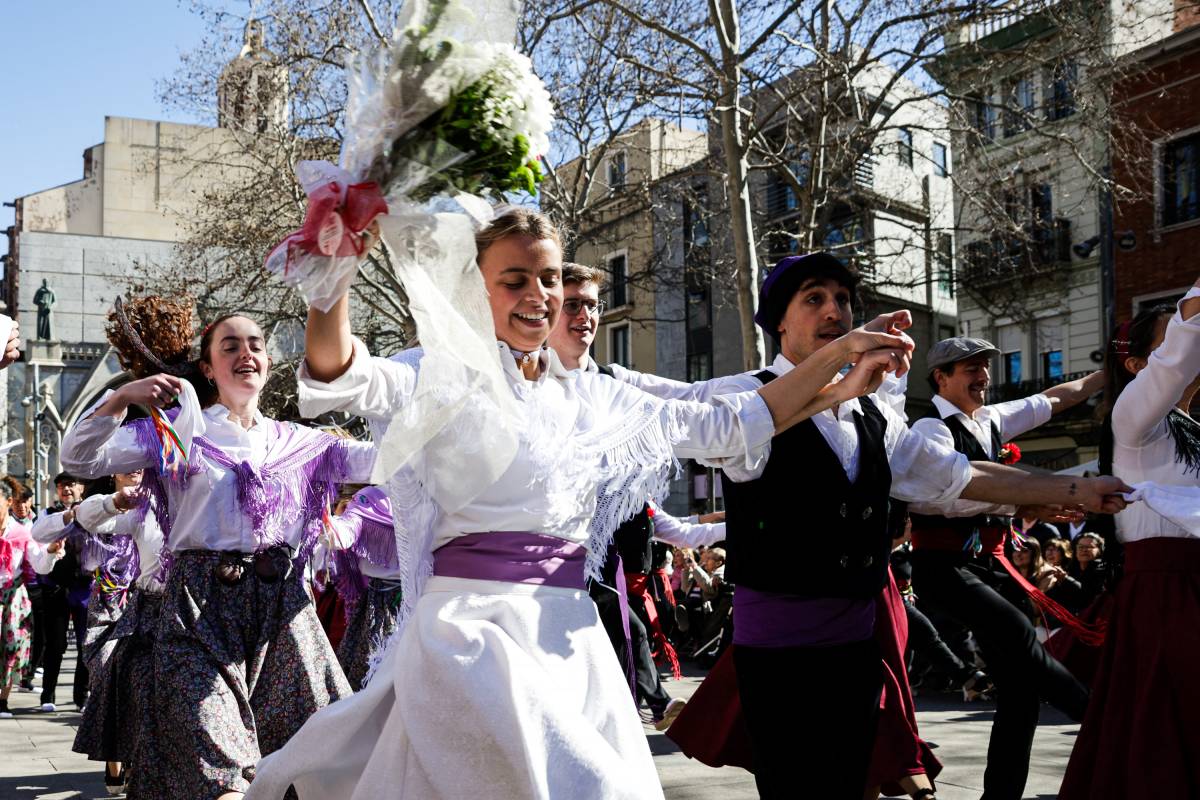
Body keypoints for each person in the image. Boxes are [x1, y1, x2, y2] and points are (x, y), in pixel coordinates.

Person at [244, 209, 916, 800]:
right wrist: (331, 282)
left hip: (569, 642)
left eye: (548, 278)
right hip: (472, 638)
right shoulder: (436, 372)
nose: (539, 296)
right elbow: (340, 373)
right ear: (474, 291)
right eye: (516, 280)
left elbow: (733, 423)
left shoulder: (592, 396)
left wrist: (842, 370)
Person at [603, 252, 1130, 799]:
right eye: (814, 298)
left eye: (843, 300)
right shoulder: (745, 399)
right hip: (779, 655)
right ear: (778, 321)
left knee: (854, 786)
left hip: (857, 646)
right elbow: (661, 397)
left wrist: (1073, 490)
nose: (834, 309)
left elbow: (956, 475)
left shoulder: (874, 414)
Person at [61, 310, 377, 800]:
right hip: (198, 611)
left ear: (269, 362)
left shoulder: (304, 444)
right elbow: (79, 459)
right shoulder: (175, 434)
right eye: (229, 346)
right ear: (207, 368)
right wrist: (123, 397)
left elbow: (388, 460)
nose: (245, 354)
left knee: (308, 758)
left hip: (283, 618)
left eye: (254, 344)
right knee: (213, 757)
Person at [906, 336, 1107, 800]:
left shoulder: (990, 420)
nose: (984, 377)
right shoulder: (929, 431)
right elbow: (955, 496)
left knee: (1019, 694)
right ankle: (1099, 716)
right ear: (942, 378)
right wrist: (1038, 496)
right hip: (946, 567)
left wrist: (1108, 376)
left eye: (985, 367)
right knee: (1018, 631)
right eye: (971, 369)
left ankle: (1001, 796)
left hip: (991, 566)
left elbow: (1054, 398)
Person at [1060, 280, 1200, 799]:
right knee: (1167, 730)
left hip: (1190, 588)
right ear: (1140, 367)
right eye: (1166, 347)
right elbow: (1178, 362)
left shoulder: (1193, 429)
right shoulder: (1134, 424)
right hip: (1163, 596)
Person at [324, 485, 403, 690]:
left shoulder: (434, 499)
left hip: (420, 601)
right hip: (380, 604)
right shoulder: (371, 499)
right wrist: (323, 515)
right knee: (370, 670)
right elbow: (341, 536)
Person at [30, 473, 94, 713]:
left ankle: (82, 696)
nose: (66, 489)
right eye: (61, 486)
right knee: (55, 644)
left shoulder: (91, 511)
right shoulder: (49, 515)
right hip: (56, 586)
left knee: (85, 643)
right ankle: (48, 694)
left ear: (80, 487)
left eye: (70, 484)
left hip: (83, 586)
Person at [0, 480, 49, 719]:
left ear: (8, 502)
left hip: (13, 595)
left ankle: (3, 699)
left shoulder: (22, 533)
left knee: (11, 647)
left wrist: (51, 552)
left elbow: (39, 563)